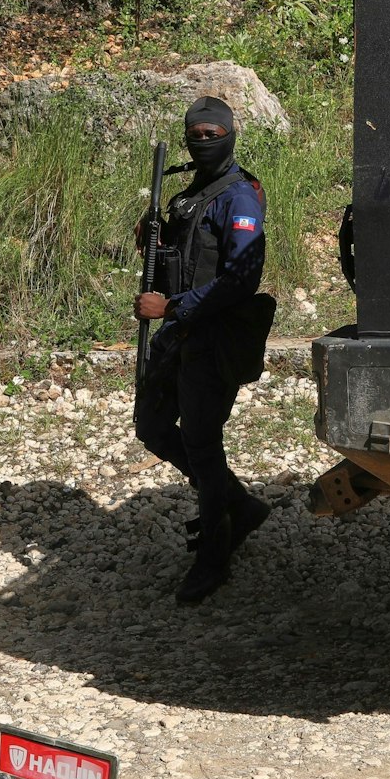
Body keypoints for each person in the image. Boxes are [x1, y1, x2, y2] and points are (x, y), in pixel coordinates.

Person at [134, 96, 278, 603]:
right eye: (195, 134)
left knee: (200, 441)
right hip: (180, 337)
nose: (203, 141)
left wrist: (172, 308)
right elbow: (179, 256)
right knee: (151, 427)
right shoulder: (189, 196)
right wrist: (151, 239)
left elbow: (241, 278)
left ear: (232, 134)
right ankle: (238, 503)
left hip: (212, 339)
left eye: (213, 133)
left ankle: (214, 554)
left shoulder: (239, 197)